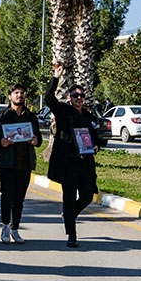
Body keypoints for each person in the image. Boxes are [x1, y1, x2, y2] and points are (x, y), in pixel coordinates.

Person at [46, 64, 99, 248]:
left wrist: (96, 145)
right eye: (75, 95)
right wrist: (55, 77)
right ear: (69, 98)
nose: (79, 98)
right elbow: (48, 98)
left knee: (87, 196)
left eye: (81, 96)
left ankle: (70, 214)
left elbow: (95, 135)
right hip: (67, 163)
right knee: (68, 197)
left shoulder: (89, 116)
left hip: (85, 163)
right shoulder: (63, 111)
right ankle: (72, 234)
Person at [0, 84, 42, 245]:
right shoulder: (1, 116)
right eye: (16, 93)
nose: (20, 95)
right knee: (7, 195)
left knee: (19, 198)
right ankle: (5, 226)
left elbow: (38, 136)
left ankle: (15, 228)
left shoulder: (30, 117)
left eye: (22, 92)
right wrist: (1, 142)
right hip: (6, 163)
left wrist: (36, 140)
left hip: (25, 163)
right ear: (10, 96)